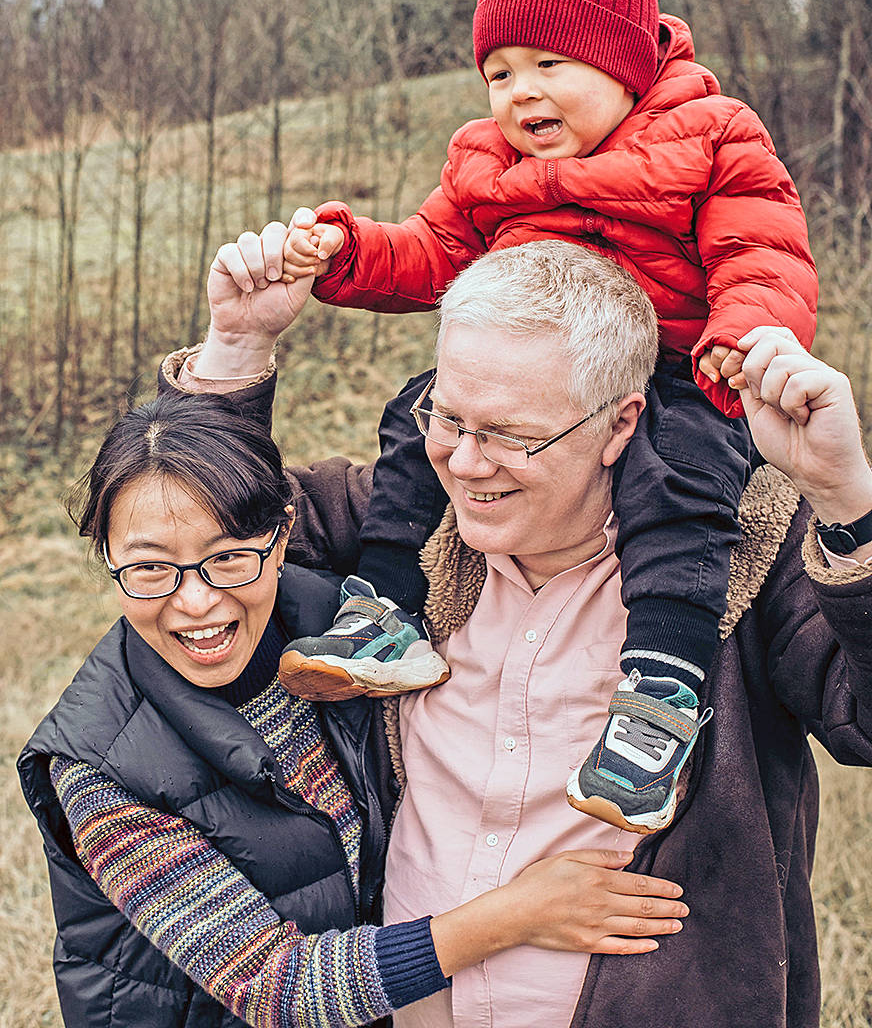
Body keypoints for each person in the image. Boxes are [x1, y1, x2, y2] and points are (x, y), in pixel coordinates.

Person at [183, 226, 870, 1027]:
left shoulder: (744, 547)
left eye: (513, 434)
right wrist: (235, 348)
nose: (467, 462)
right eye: (447, 417)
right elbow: (200, 527)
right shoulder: (407, 526)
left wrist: (845, 500)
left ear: (621, 423)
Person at [275, 0, 819, 834]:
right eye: (498, 71)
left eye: (548, 64)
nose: (519, 93)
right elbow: (431, 251)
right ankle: (387, 612)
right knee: (420, 422)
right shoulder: (485, 161)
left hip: (678, 370)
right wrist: (348, 250)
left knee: (683, 486)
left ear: (623, 63)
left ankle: (660, 695)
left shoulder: (711, 133)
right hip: (525, 374)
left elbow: (763, 252)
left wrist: (745, 334)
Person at [17, 269, 689, 1028]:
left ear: (279, 543)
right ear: (106, 563)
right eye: (147, 570)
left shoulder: (336, 619)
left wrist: (241, 345)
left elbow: (213, 489)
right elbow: (278, 986)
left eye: (231, 559)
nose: (196, 600)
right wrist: (517, 915)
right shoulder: (99, 767)